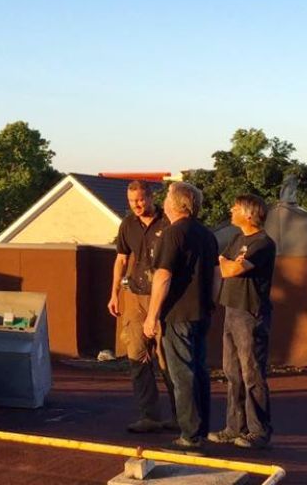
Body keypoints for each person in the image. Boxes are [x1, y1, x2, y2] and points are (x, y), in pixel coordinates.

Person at [143, 181, 218, 452]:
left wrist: (152, 316)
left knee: (181, 374)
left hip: (177, 315)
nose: (164, 203)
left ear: (176, 204)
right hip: (201, 313)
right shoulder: (207, 235)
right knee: (198, 371)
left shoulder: (172, 234)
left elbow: (163, 276)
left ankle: (189, 435)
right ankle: (201, 428)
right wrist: (211, 303)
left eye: (167, 199)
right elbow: (217, 275)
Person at [208, 194, 276, 450]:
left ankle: (259, 431)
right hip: (231, 309)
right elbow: (223, 264)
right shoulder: (238, 239)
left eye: (235, 207)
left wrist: (229, 263)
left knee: (252, 373)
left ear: (249, 214)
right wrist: (228, 262)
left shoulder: (263, 243)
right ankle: (234, 427)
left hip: (251, 314)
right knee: (232, 372)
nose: (231, 209)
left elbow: (231, 270)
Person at [108, 180, 175, 433]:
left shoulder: (168, 223)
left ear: (151, 198)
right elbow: (121, 259)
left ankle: (181, 416)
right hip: (134, 296)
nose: (136, 205)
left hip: (164, 297)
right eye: (131, 201)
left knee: (167, 359)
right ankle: (149, 415)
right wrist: (114, 293)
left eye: (140, 200)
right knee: (137, 355)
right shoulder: (127, 225)